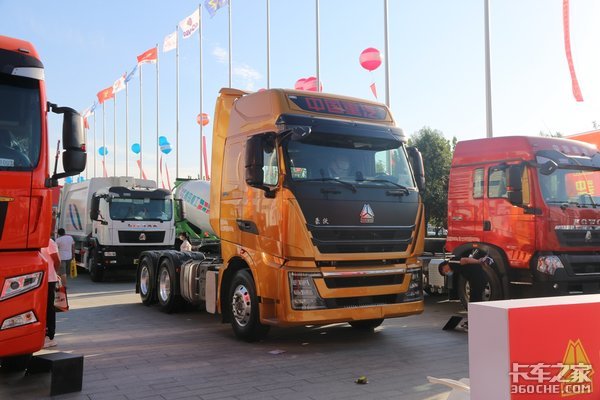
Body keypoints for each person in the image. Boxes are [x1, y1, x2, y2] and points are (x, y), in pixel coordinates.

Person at [40, 238, 60, 348]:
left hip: (49, 279)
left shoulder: (49, 242)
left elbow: (57, 260)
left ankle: (50, 336)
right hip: (40, 279)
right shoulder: (38, 241)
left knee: (49, 308)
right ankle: (44, 334)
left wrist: (53, 273)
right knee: (42, 309)